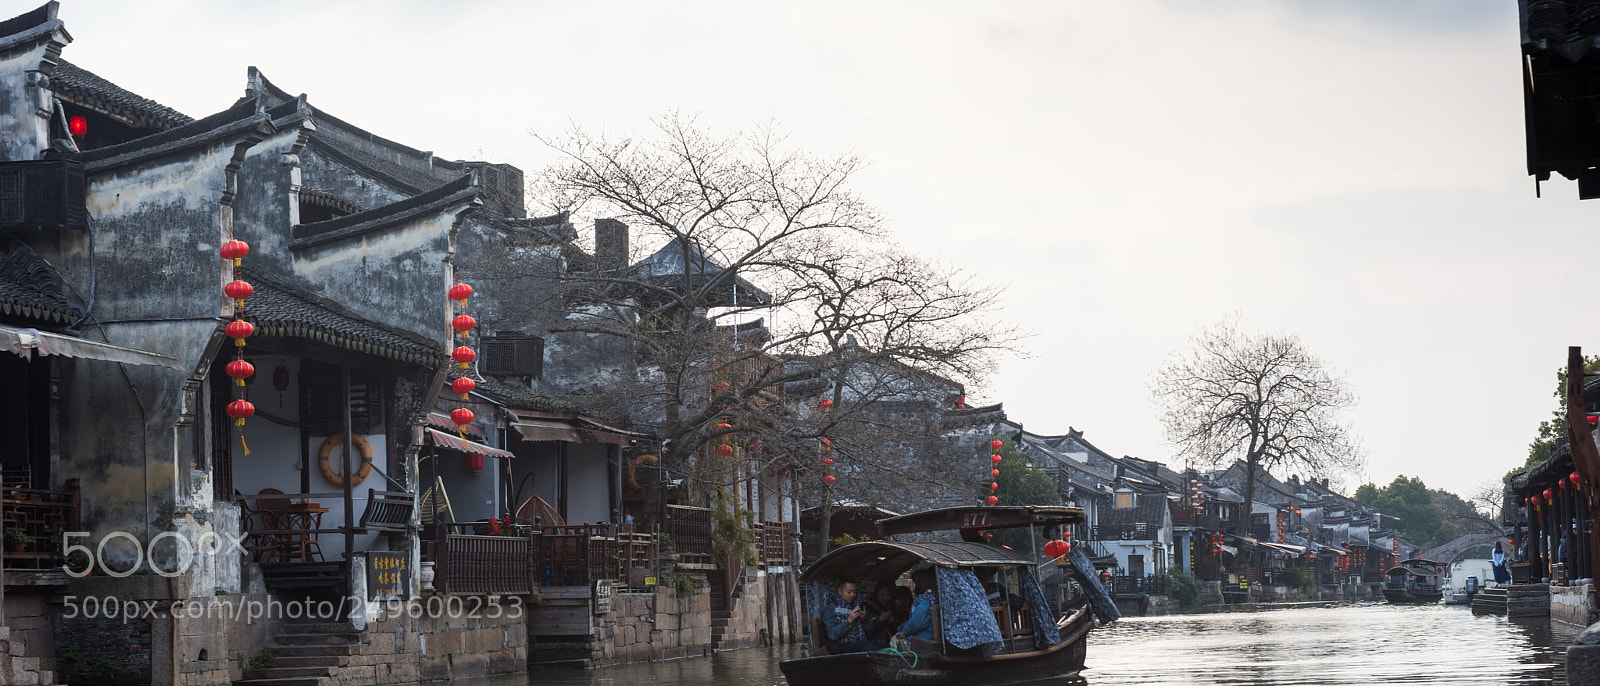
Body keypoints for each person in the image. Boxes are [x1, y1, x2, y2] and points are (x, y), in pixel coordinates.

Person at [822, 577, 874, 654]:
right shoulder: (831, 609)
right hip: (839, 647)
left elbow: (869, 631)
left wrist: (864, 620)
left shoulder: (857, 605)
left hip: (859, 643)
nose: (852, 595)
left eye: (854, 592)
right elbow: (832, 634)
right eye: (849, 592)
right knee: (866, 647)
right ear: (840, 591)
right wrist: (849, 621)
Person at [897, 569, 938, 643]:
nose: (911, 586)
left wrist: (904, 631)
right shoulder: (931, 597)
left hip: (923, 638)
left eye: (913, 582)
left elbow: (916, 623)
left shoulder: (925, 600)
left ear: (919, 583)